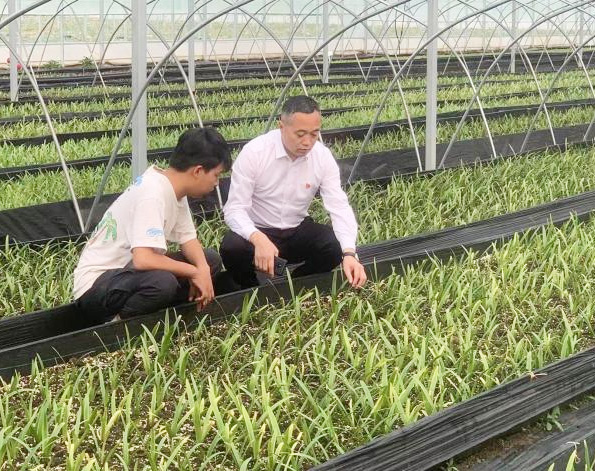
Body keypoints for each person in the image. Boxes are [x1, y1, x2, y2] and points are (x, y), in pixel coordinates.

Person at [73, 127, 231, 323]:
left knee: (209, 260)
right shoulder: (152, 194)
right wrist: (193, 271)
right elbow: (143, 259)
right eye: (216, 175)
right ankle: (115, 326)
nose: (217, 183)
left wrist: (203, 269)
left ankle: (167, 313)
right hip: (97, 287)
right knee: (162, 282)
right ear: (198, 171)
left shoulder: (174, 190)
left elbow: (188, 239)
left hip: (129, 277)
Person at [220, 95, 367, 289]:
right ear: (281, 126)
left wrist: (349, 254)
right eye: (300, 134)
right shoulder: (255, 153)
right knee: (232, 247)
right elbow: (234, 209)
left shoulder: (322, 157)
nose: (307, 142)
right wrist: (257, 237)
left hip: (296, 229)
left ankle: (297, 284)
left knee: (333, 246)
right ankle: (251, 287)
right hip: (258, 230)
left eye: (314, 134)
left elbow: (338, 206)